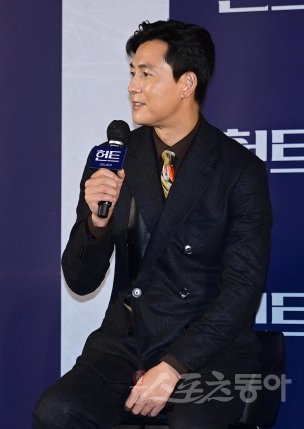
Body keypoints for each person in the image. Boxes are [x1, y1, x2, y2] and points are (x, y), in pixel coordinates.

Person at [33, 19, 272, 428]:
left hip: (209, 353)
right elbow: (80, 280)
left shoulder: (238, 169)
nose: (132, 87)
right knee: (56, 411)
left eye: (146, 74)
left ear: (186, 83)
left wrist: (175, 365)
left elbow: (242, 290)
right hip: (126, 344)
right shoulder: (114, 158)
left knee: (191, 423)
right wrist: (96, 223)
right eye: (132, 73)